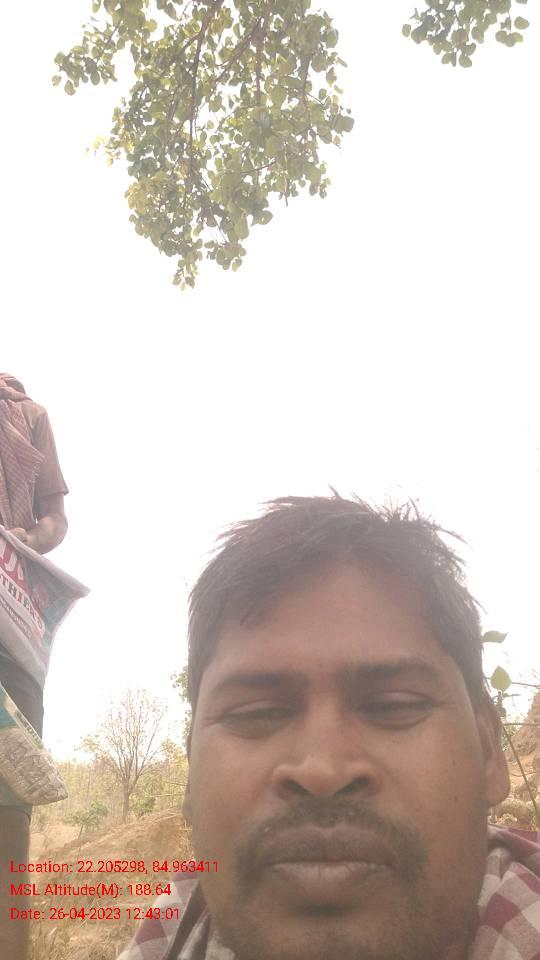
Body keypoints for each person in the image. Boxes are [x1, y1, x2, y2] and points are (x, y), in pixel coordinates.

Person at [119, 494, 540, 960]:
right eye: (255, 714)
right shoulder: (167, 934)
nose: (322, 770)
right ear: (191, 776)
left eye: (393, 705)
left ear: (489, 750)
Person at [0, 372, 68, 959]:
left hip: (9, 630)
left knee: (8, 809)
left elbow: (55, 522)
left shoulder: (26, 414)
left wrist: (24, 538)